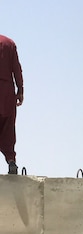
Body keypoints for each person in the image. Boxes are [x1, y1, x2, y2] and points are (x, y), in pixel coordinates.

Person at [0, 34, 23, 175]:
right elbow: (17, 69)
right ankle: (11, 161)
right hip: (7, 92)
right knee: (8, 130)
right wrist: (20, 90)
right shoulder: (9, 43)